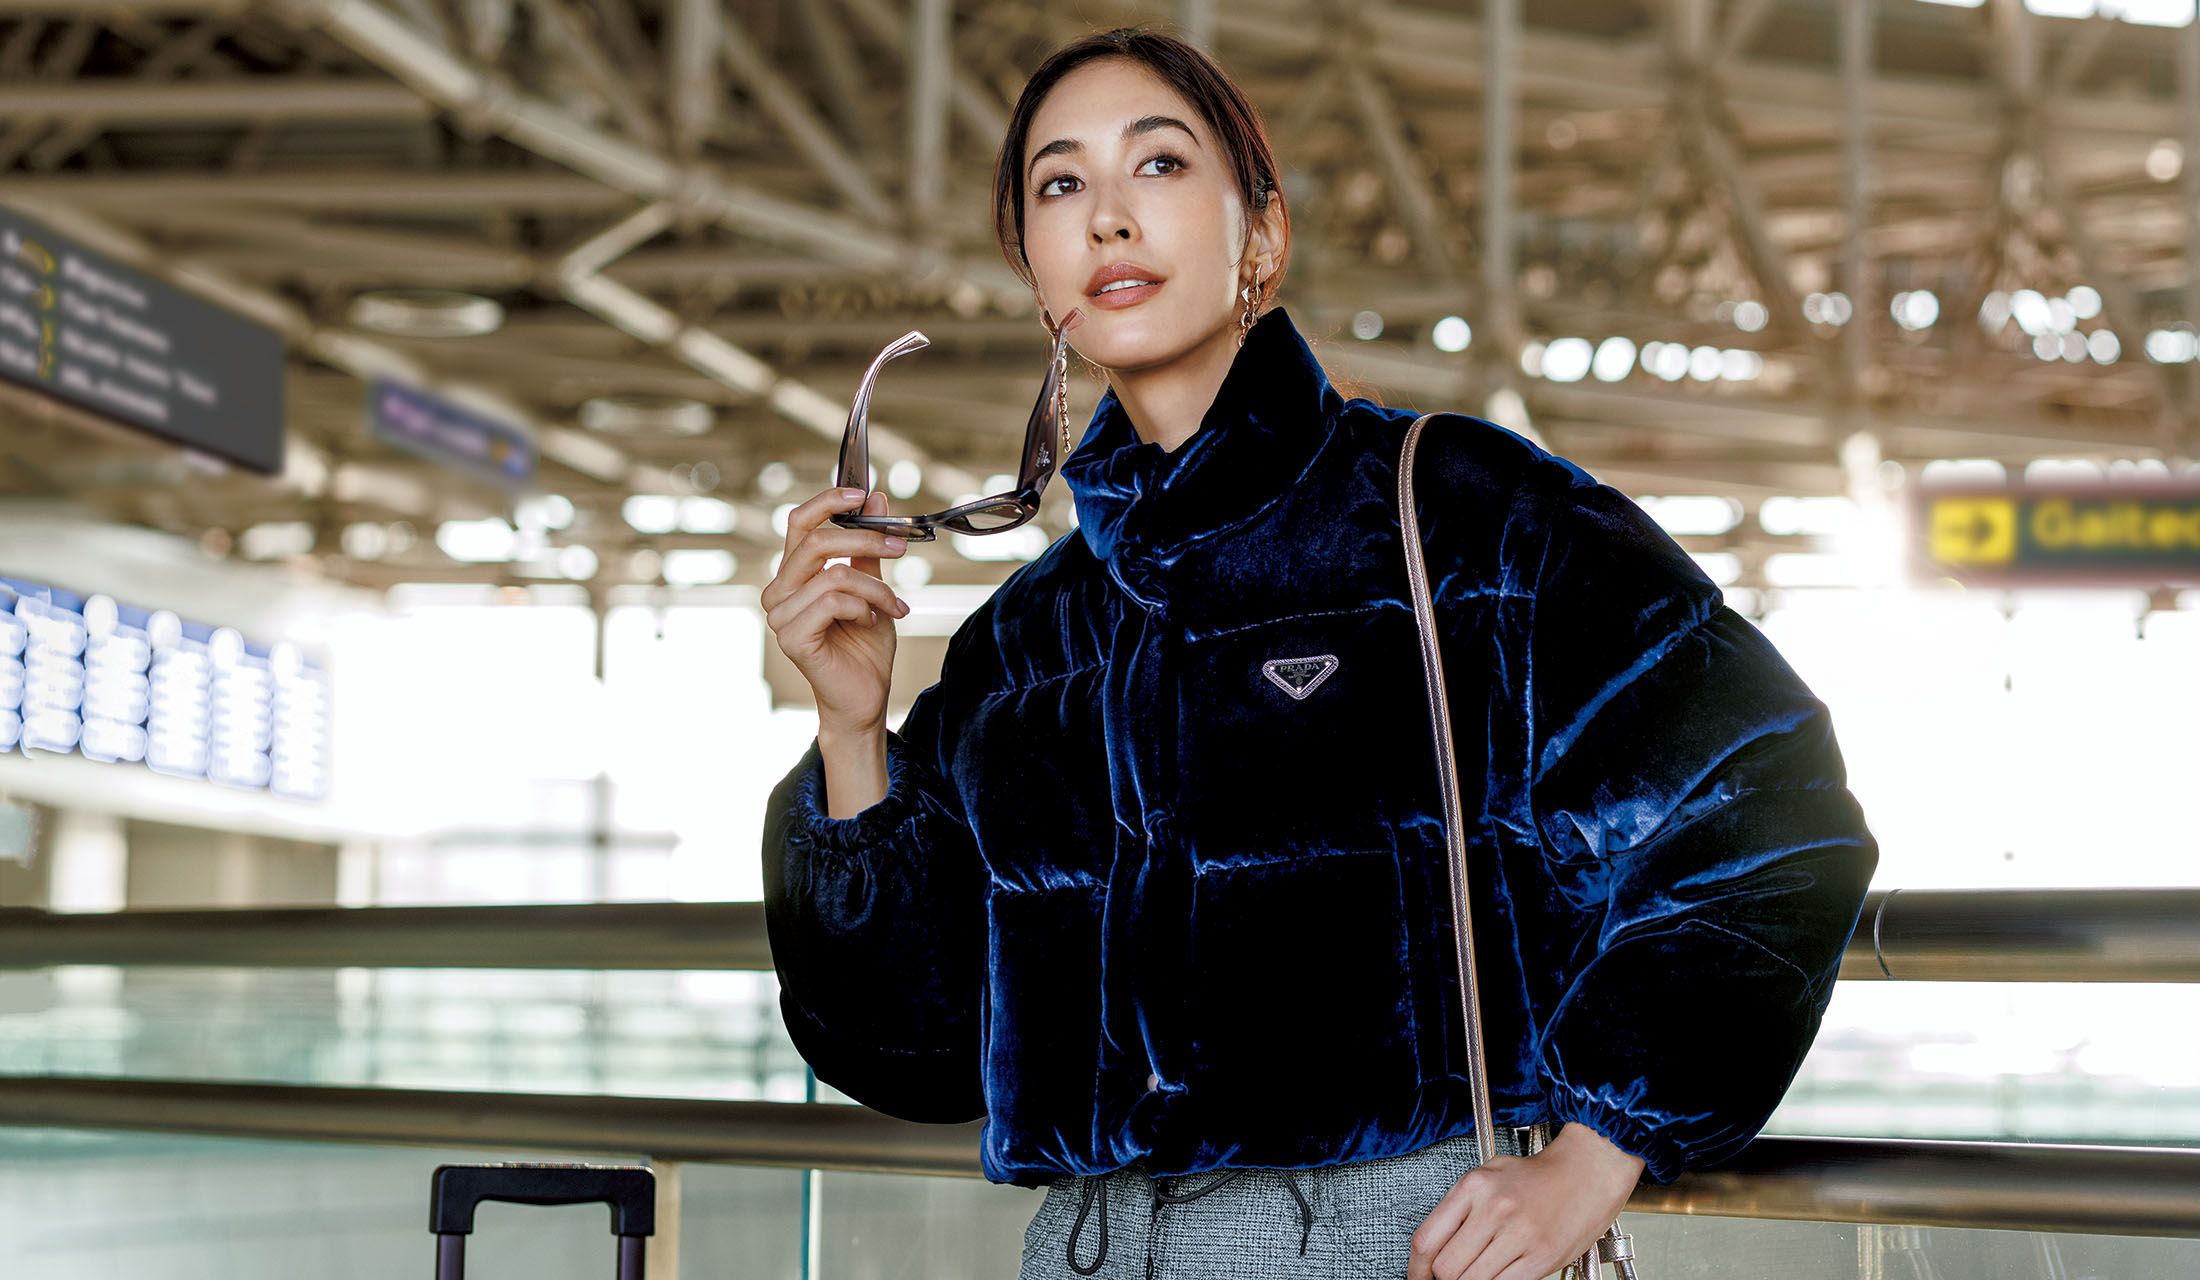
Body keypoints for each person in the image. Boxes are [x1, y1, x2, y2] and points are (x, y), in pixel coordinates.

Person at [759, 25, 1878, 1280]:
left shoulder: (1457, 512)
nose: (1108, 217)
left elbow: (1770, 805)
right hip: (1085, 1244)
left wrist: (1598, 1145)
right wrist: (851, 730)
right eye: (1060, 185)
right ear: (1035, 269)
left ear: (1263, 236)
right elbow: (919, 1051)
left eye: (1160, 165)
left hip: (1395, 1236)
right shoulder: (1027, 640)